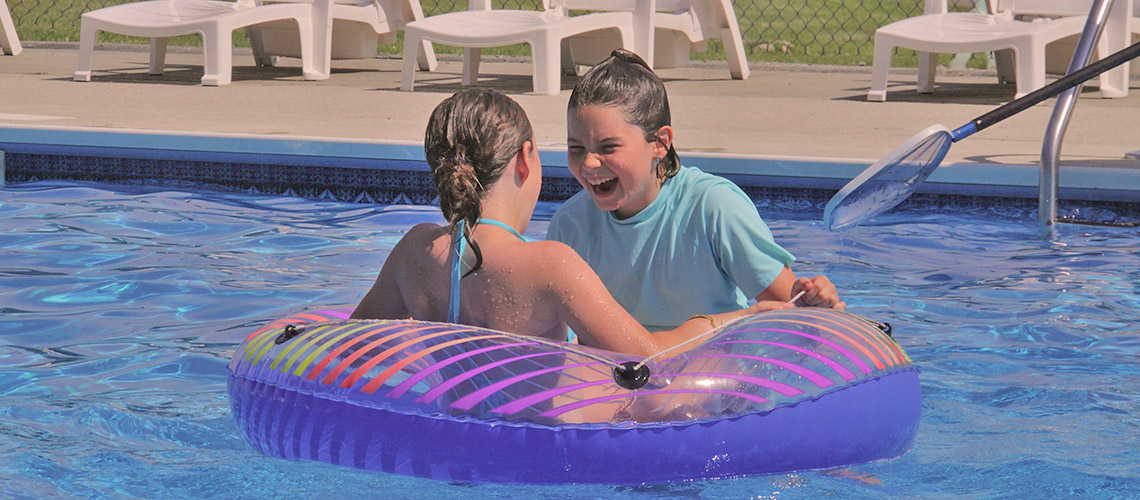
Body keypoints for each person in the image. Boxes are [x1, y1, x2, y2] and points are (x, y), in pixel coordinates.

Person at [352, 88, 791, 357]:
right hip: (548, 446)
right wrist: (738, 318)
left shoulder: (414, 252)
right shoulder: (550, 264)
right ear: (526, 159)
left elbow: (349, 346)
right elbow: (649, 358)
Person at [547, 49, 846, 332]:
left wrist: (813, 299)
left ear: (660, 143)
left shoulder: (712, 208)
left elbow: (790, 306)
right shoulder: (570, 226)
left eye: (608, 147)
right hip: (616, 371)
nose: (588, 162)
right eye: (576, 148)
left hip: (710, 363)